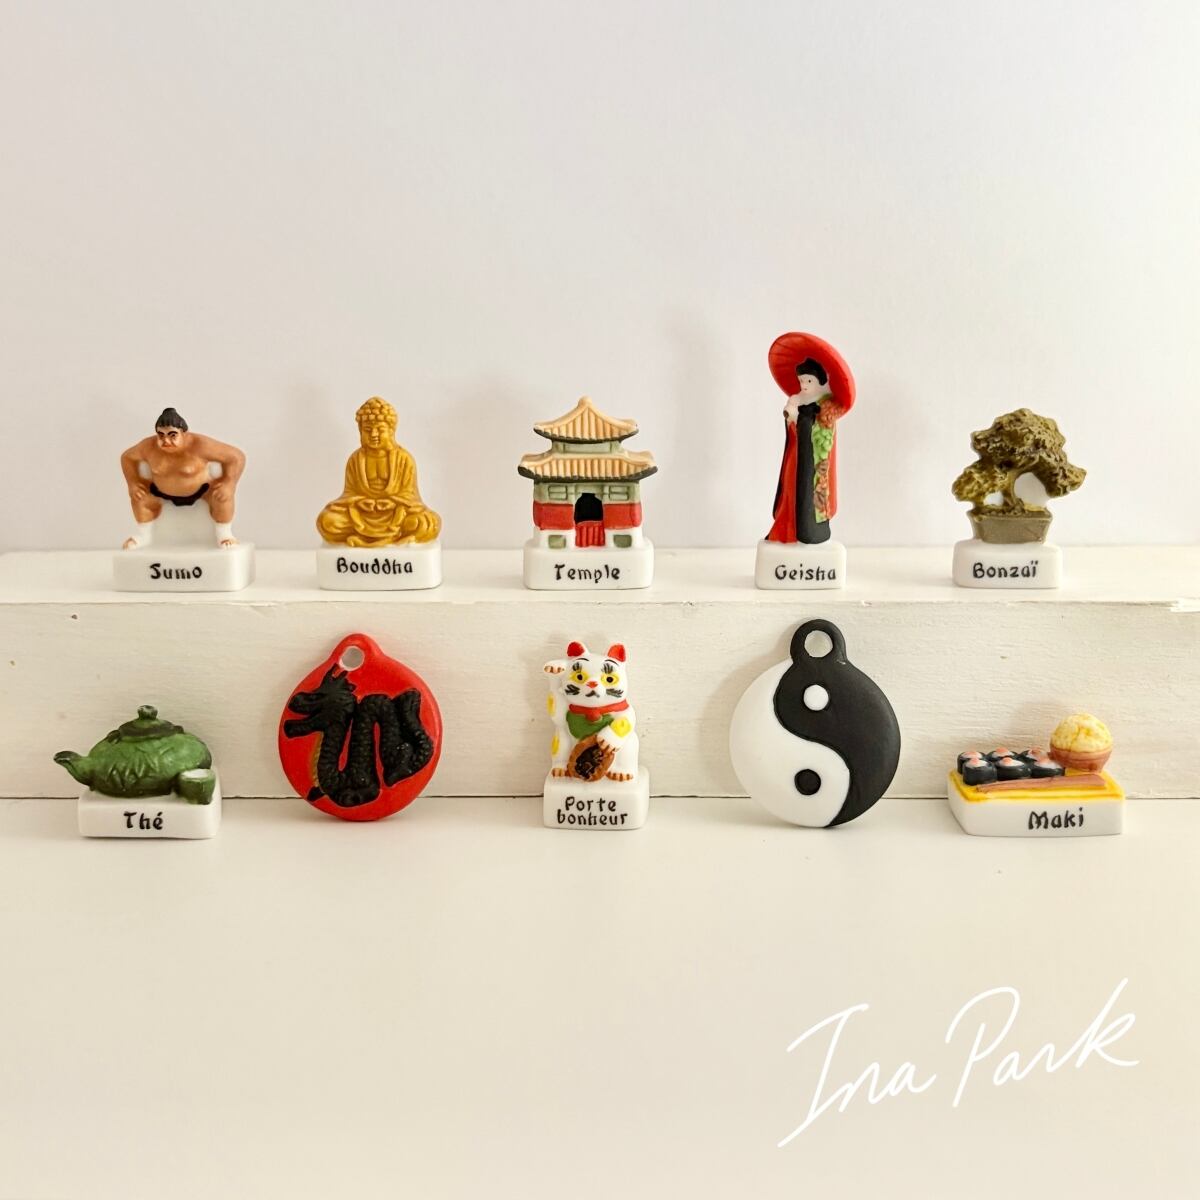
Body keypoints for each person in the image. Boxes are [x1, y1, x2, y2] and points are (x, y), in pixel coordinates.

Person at [316, 397, 441, 547]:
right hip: (361, 515)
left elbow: (410, 496)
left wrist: (392, 502)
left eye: (380, 430)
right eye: (367, 430)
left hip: (395, 514)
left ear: (391, 431)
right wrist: (360, 502)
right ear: (360, 431)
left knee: (427, 523)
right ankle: (389, 539)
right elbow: (349, 494)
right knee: (327, 521)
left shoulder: (404, 459)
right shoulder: (355, 460)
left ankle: (387, 537)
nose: (373, 434)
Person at [765, 334, 854, 544]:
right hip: (796, 452)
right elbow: (792, 423)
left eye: (809, 380)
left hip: (813, 460)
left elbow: (821, 432)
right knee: (790, 487)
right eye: (802, 380)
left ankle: (808, 529)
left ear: (820, 380)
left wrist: (804, 419)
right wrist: (791, 418)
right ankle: (787, 525)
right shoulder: (798, 399)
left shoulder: (827, 405)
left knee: (808, 491)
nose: (804, 384)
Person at [119, 408, 246, 548]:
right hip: (159, 493)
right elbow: (127, 457)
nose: (166, 440)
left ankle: (225, 534)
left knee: (223, 496)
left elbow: (236, 457)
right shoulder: (148, 446)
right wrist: (133, 483)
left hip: (202, 491)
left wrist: (229, 483)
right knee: (139, 497)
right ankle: (144, 535)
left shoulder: (201, 445)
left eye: (172, 435)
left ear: (184, 434)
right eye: (161, 435)